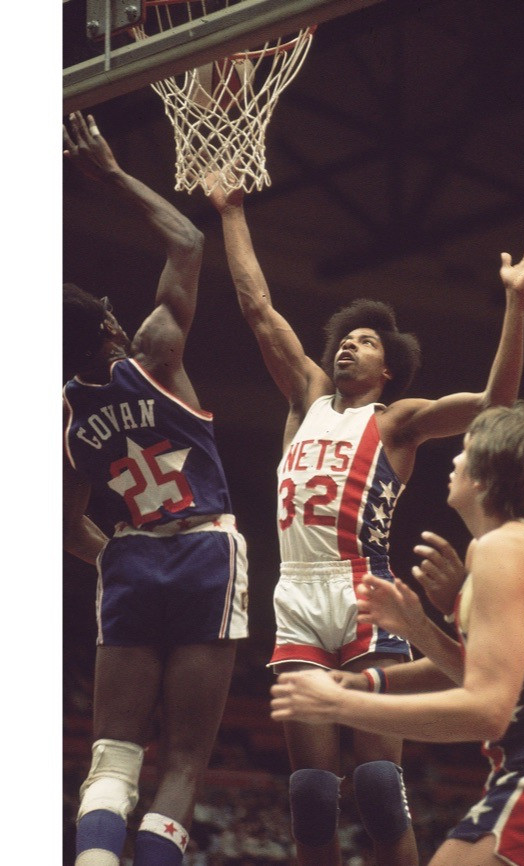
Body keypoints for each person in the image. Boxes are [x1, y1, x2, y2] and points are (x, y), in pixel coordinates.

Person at [208, 184, 524, 864]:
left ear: (387, 367)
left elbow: (497, 401)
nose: (348, 347)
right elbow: (257, 308)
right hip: (296, 594)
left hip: (362, 589)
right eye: (343, 341)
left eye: (364, 342)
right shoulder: (306, 399)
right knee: (311, 794)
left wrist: (516, 301)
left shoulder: (398, 421)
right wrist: (233, 212)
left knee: (376, 785)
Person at [270, 404, 524, 866]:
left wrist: (342, 706)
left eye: (465, 451)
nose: (455, 460)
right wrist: (397, 650)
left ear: (484, 473)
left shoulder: (501, 547)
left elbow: (486, 711)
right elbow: (484, 671)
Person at [63, 111, 249, 866]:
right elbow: (189, 241)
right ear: (109, 323)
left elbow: (66, 527)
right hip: (203, 549)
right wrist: (110, 173)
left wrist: (116, 556)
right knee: (184, 762)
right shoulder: (154, 354)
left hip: (132, 558)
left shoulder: (66, 418)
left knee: (113, 756)